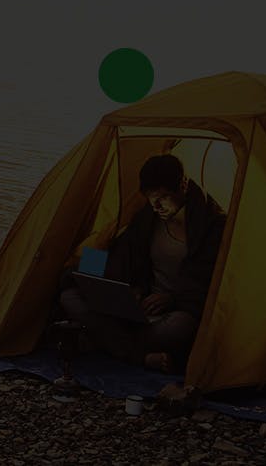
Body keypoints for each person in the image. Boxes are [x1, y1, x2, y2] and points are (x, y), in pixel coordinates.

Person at [58, 154, 226, 374]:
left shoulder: (214, 224)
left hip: (176, 311)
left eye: (164, 197)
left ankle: (107, 342)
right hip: (139, 306)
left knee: (179, 328)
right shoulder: (147, 216)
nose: (157, 205)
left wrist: (172, 298)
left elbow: (210, 282)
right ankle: (141, 355)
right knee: (70, 296)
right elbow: (119, 252)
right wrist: (128, 289)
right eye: (151, 197)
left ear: (183, 185)